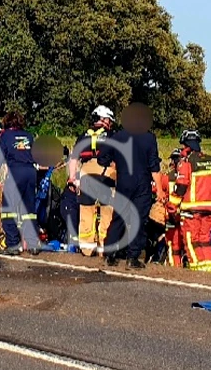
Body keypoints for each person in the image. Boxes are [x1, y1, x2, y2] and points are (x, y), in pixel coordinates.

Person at [96, 102, 162, 268]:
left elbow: (101, 158)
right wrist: (160, 190)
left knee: (118, 218)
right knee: (139, 220)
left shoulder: (117, 137)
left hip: (124, 182)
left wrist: (115, 163)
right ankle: (133, 258)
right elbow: (154, 166)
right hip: (142, 183)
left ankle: (110, 254)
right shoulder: (149, 138)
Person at [67, 105, 117, 257]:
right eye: (109, 120)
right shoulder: (113, 135)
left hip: (86, 175)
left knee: (86, 212)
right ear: (104, 119)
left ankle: (87, 249)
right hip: (107, 174)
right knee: (107, 212)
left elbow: (74, 158)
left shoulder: (83, 136)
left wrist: (72, 178)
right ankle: (104, 248)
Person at [0, 111, 40, 255]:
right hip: (31, 174)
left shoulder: (5, 136)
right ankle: (33, 244)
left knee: (8, 211)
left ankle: (13, 245)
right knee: (29, 212)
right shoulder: (29, 135)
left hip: (15, 173)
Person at [173, 129, 211, 271]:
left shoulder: (186, 162)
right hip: (209, 210)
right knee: (204, 240)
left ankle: (195, 269)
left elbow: (181, 185)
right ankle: (208, 268)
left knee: (190, 240)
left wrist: (172, 205)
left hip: (191, 210)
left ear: (187, 146)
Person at [162, 148, 185, 266]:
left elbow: (157, 190)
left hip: (172, 216)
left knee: (173, 245)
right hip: (186, 215)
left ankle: (174, 268)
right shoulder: (189, 175)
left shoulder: (167, 177)